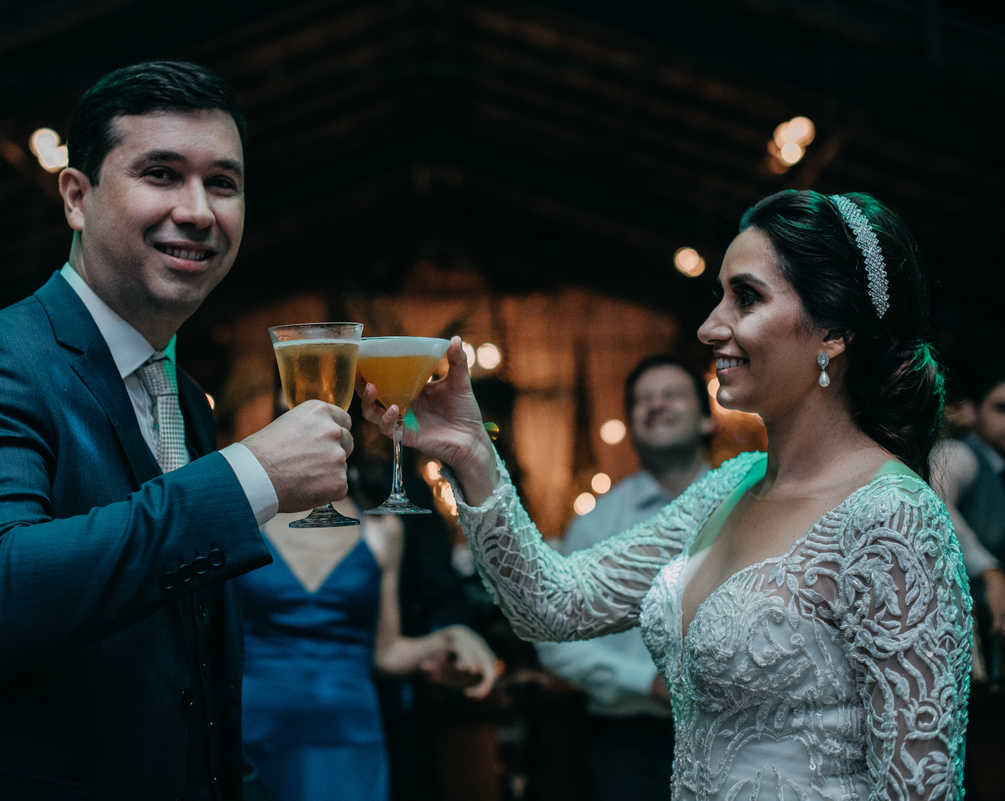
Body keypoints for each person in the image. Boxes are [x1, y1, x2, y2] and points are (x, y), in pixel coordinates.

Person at [359, 190, 973, 800]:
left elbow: (920, 791)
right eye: (720, 296)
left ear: (834, 332)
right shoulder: (731, 486)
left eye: (747, 297)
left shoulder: (891, 515)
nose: (709, 327)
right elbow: (550, 604)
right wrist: (471, 452)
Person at [0, 62, 354, 801]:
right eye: (161, 174)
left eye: (223, 183)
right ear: (76, 197)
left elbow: (196, 682)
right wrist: (250, 476)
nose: (198, 211)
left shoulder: (186, 398)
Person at [535, 356, 712, 801]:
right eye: (642, 399)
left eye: (671, 394)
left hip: (736, 735)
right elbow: (554, 639)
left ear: (707, 419)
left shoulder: (748, 505)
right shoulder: (597, 523)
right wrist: (643, 680)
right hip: (629, 745)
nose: (656, 404)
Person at [239, 494, 496, 801]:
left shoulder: (381, 529)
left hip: (350, 730)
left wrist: (451, 637)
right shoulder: (247, 519)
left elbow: (385, 652)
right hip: (254, 727)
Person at [930, 373, 1005, 638]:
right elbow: (935, 503)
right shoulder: (958, 453)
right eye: (1001, 408)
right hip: (952, 622)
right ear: (970, 411)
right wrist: (988, 570)